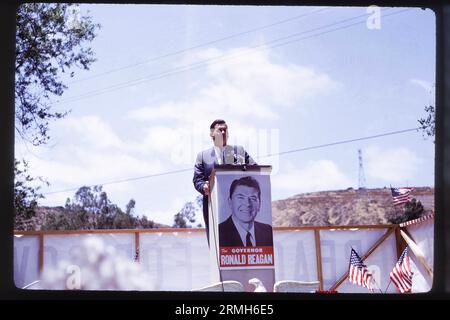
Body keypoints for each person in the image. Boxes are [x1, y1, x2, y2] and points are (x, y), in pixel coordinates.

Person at [193, 119, 256, 245]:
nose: (223, 132)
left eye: (225, 130)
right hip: (214, 206)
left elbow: (254, 168)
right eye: (219, 130)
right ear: (212, 134)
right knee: (217, 243)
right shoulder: (203, 156)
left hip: (239, 206)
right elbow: (197, 180)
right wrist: (204, 186)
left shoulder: (239, 152)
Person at [219, 176, 273, 247]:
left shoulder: (267, 231)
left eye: (253, 198)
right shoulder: (219, 232)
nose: (247, 204)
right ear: (230, 202)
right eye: (241, 197)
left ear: (259, 204)